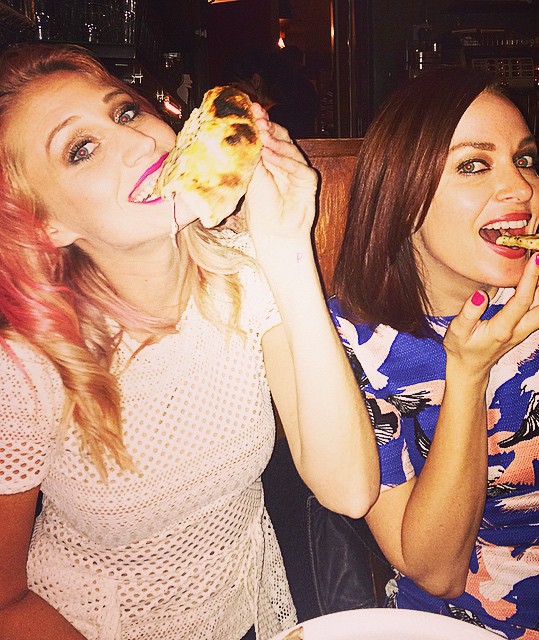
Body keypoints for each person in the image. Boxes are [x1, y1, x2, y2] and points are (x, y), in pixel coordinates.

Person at [0, 43, 379, 640]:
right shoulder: (25, 367)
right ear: (48, 223)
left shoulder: (246, 275)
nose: (140, 142)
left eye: (125, 112)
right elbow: (5, 598)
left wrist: (285, 246)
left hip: (252, 618)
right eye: (81, 149)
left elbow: (349, 489)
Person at [328, 65, 539, 640]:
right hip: (458, 624)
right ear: (401, 195)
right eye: (474, 164)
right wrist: (469, 372)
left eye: (525, 159)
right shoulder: (349, 341)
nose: (521, 188)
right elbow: (436, 572)